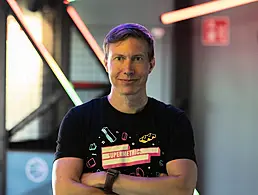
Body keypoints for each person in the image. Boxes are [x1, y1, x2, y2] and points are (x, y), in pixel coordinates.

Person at [52, 23, 198, 195]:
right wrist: (156, 187)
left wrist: (105, 179)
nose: (128, 69)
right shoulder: (79, 119)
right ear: (107, 64)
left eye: (137, 58)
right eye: (119, 58)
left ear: (151, 64)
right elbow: (63, 190)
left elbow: (182, 189)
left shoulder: (173, 121)